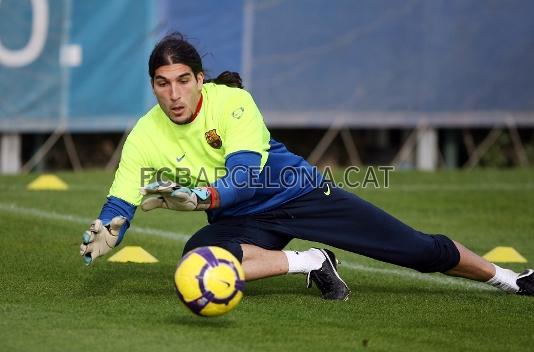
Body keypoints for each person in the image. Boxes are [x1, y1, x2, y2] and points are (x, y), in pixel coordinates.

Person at [79, 32, 534, 300]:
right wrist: (108, 226)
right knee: (197, 264)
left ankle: (510, 279)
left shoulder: (233, 102)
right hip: (241, 220)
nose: (174, 94)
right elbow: (123, 198)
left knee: (414, 250)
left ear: (200, 80)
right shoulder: (145, 134)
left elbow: (243, 178)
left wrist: (199, 197)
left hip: (295, 193)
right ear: (152, 87)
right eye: (162, 84)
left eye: (183, 81)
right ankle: (310, 261)